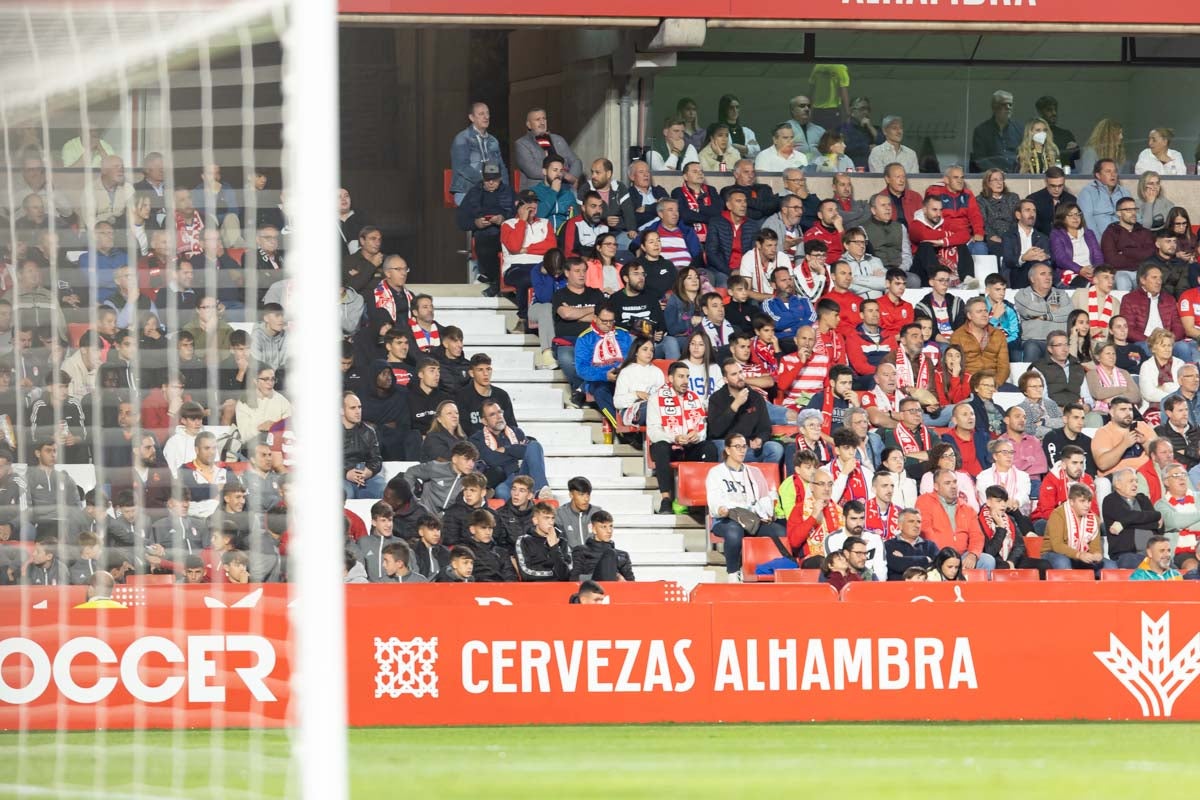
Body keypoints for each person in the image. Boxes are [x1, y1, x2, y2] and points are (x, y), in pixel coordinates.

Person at [706, 433, 786, 579]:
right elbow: (714, 500)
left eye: (744, 446)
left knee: (781, 532)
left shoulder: (754, 472)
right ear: (728, 450)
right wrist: (720, 509)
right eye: (737, 447)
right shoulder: (716, 473)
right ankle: (733, 572)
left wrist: (766, 513)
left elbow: (763, 498)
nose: (742, 450)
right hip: (727, 518)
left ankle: (774, 571)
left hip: (751, 518)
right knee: (734, 532)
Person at [648, 361, 717, 514]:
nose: (685, 381)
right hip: (668, 446)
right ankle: (666, 499)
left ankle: (704, 496)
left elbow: (702, 426)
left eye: (687, 377)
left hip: (689, 446)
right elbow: (653, 431)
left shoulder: (695, 398)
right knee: (660, 447)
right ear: (670, 379)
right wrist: (675, 437)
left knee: (710, 447)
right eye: (680, 377)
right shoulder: (655, 398)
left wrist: (697, 435)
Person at [470, 398, 550, 502]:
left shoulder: (516, 432)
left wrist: (505, 449)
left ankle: (541, 491)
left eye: (500, 412)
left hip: (524, 473)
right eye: (492, 414)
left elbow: (528, 451)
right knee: (501, 492)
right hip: (506, 479)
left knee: (534, 445)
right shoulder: (477, 439)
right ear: (484, 420)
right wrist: (516, 452)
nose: (499, 417)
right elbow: (492, 460)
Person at [707, 359, 783, 469]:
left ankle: (760, 481)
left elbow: (765, 428)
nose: (740, 377)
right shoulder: (716, 399)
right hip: (728, 448)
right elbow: (715, 431)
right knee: (718, 447)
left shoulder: (756, 397)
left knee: (775, 449)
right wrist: (735, 405)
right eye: (734, 374)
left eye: (740, 372)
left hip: (750, 449)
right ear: (725, 379)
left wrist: (760, 439)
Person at [916, 469, 995, 571]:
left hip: (962, 556)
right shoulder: (924, 501)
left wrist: (973, 554)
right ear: (936, 486)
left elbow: (977, 535)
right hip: (937, 555)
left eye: (954, 482)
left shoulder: (967, 508)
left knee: (987, 561)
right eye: (947, 483)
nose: (953, 486)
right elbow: (925, 530)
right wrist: (943, 555)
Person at [456, 163, 513, 297]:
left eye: (495, 179)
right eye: (488, 179)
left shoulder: (509, 192)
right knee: (486, 244)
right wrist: (475, 223)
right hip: (485, 235)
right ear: (483, 178)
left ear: (500, 178)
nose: (491, 182)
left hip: (507, 233)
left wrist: (503, 219)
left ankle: (498, 284)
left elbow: (519, 215)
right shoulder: (474, 193)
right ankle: (495, 282)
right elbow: (461, 220)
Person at [1043, 483, 1114, 574]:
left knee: (1110, 566)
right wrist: (1078, 554)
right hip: (1054, 553)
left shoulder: (1094, 518)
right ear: (1072, 502)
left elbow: (1095, 546)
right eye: (1082, 501)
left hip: (1082, 556)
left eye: (1088, 501)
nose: (1087, 505)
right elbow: (1057, 545)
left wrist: (1097, 554)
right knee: (1063, 562)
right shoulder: (1058, 514)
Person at [1102, 467, 1162, 569]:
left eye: (1136, 481)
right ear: (1118, 484)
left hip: (1153, 553)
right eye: (1131, 481)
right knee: (1150, 568)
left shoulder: (1143, 499)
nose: (1135, 484)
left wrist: (1125, 523)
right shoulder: (1110, 500)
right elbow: (1127, 516)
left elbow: (1158, 522)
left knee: (1176, 573)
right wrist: (1155, 520)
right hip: (1126, 555)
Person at [450, 101, 507, 204]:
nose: (486, 117)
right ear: (472, 118)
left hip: (491, 190)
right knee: (482, 213)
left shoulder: (493, 141)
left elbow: (501, 167)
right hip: (467, 190)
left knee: (505, 209)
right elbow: (462, 167)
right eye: (481, 114)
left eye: (487, 113)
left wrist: (505, 189)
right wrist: (484, 182)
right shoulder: (462, 138)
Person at [1012, 264, 1070, 363]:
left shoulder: (1062, 294)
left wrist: (1045, 316)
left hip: (1058, 341)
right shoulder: (1023, 294)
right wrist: (1051, 308)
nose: (1048, 277)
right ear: (1032, 279)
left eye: (1050, 274)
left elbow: (1068, 313)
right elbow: (1029, 310)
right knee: (1031, 348)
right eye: (1043, 274)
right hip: (1034, 341)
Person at [705, 188, 760, 288]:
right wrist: (730, 272)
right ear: (729, 205)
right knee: (724, 283)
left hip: (745, 270)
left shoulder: (752, 225)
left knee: (754, 286)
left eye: (745, 201)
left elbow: (754, 253)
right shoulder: (716, 222)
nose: (743, 205)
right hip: (721, 270)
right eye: (738, 201)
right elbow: (711, 253)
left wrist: (743, 270)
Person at [1092, 396, 1157, 478]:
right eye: (1123, 410)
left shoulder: (1142, 426)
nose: (1128, 413)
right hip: (1118, 477)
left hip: (1146, 474)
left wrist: (1145, 443)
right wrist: (1124, 444)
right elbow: (1102, 465)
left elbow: (1160, 456)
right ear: (1112, 412)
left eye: (1130, 409)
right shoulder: (1103, 432)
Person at [515, 107, 582, 187]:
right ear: (529, 125)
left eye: (544, 119)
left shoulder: (558, 139)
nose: (542, 122)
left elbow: (576, 161)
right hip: (538, 189)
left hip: (564, 186)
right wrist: (561, 174)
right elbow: (532, 171)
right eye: (538, 119)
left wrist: (572, 177)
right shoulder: (522, 143)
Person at [454, 353, 517, 437]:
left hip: (502, 441)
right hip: (475, 444)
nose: (486, 374)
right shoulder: (462, 396)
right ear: (472, 373)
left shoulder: (502, 395)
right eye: (480, 370)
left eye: (488, 369)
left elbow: (511, 425)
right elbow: (463, 429)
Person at [1078, 160, 1133, 254]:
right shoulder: (1088, 192)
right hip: (1101, 243)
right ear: (1098, 175)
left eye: (1115, 171)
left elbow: (1134, 216)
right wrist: (1102, 244)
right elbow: (1087, 222)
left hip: (1125, 241)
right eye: (1108, 171)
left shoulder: (1124, 192)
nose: (1113, 175)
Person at [671, 162, 722, 255]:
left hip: (713, 236)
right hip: (690, 237)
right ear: (685, 177)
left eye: (701, 171)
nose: (700, 173)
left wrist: (699, 208)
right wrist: (709, 218)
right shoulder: (678, 192)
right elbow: (685, 215)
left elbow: (718, 212)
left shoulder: (711, 190)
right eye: (695, 171)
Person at [1047, 203, 1101, 288]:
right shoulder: (1056, 234)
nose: (1075, 218)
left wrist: (1096, 269)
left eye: (1077, 214)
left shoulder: (1088, 233)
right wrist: (1080, 269)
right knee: (1089, 285)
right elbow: (1061, 259)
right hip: (1070, 271)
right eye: (1070, 215)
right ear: (1062, 217)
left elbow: (1098, 256)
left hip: (1091, 270)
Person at [515, 501, 572, 582]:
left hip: (559, 589)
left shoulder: (562, 542)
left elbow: (566, 575)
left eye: (552, 518)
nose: (551, 522)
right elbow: (526, 574)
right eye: (546, 518)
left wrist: (554, 547)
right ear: (535, 520)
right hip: (534, 589)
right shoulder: (523, 541)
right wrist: (554, 573)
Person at [341, 391, 384, 500]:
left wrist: (368, 472)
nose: (358, 411)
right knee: (345, 494)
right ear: (341, 410)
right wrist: (345, 474)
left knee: (382, 490)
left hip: (364, 473)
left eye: (359, 407)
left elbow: (376, 459)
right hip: (341, 475)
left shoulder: (368, 431)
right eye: (353, 408)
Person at [1153, 464, 1200, 559]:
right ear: (1166, 482)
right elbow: (1175, 521)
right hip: (1180, 552)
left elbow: (1180, 522)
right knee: (1192, 567)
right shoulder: (1161, 505)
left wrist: (1184, 525)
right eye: (1176, 475)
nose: (1182, 478)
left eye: (1183, 474)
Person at [918, 443, 977, 512]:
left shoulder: (963, 476)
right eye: (945, 456)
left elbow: (974, 506)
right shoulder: (928, 477)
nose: (951, 459)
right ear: (937, 461)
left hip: (965, 517)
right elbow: (929, 505)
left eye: (952, 455)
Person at [970, 90, 1019, 172]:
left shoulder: (1019, 129)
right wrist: (997, 173)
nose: (1008, 108)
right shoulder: (981, 131)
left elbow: (1024, 156)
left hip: (1016, 176)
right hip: (991, 177)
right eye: (1004, 104)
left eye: (1010, 104)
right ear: (994, 107)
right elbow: (980, 159)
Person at [1157, 393, 1200, 485]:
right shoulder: (1160, 433)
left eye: (1186, 410)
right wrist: (1195, 454)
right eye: (1180, 410)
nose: (1185, 414)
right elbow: (1168, 457)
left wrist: (1186, 451)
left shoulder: (1197, 430)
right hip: (1176, 476)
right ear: (1169, 413)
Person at [715, 94, 760, 158]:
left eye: (737, 107)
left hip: (746, 166)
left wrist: (735, 146)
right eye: (731, 107)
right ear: (724, 109)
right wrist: (746, 149)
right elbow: (723, 152)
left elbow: (756, 150)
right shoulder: (716, 131)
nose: (735, 110)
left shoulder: (748, 131)